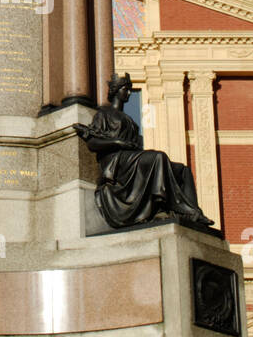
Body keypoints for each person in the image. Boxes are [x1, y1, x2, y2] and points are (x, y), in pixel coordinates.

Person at [74, 73, 214, 229]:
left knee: (183, 170)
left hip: (132, 159)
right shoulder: (104, 114)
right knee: (158, 157)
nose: (128, 93)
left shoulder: (131, 122)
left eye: (129, 89)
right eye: (125, 89)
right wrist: (117, 142)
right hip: (116, 161)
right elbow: (93, 144)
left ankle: (193, 212)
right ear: (115, 90)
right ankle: (160, 206)